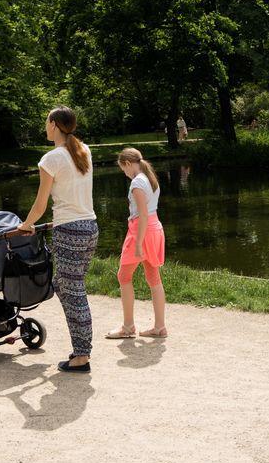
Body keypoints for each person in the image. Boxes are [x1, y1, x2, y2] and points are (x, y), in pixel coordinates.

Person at [18, 107, 98, 372]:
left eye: (46, 122)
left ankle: (82, 355)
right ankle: (81, 349)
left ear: (53, 124)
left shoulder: (51, 158)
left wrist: (26, 225)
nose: (44, 126)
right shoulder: (84, 150)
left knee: (73, 291)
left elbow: (40, 204)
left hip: (70, 232)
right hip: (90, 227)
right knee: (66, 286)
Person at [105, 148, 168, 339]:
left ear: (127, 164)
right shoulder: (149, 178)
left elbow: (141, 216)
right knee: (153, 276)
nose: (123, 173)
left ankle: (128, 327)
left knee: (123, 276)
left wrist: (139, 243)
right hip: (154, 228)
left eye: (122, 169)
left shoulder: (137, 183)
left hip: (141, 232)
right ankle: (159, 327)